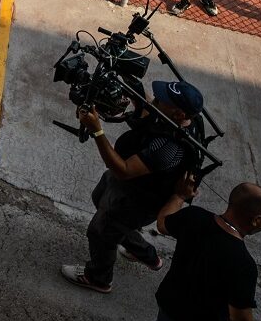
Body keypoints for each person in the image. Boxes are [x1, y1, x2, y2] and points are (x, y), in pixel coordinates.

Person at [60, 80, 205, 295]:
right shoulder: (183, 120)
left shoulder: (168, 148)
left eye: (161, 100)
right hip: (130, 187)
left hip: (138, 198)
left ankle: (98, 278)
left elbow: (124, 170)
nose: (154, 101)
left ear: (178, 114)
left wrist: (97, 130)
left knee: (101, 231)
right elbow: (147, 108)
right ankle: (145, 254)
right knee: (99, 197)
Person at [151, 177, 261, 321]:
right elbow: (240, 320)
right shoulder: (243, 264)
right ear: (257, 220)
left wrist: (179, 196)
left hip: (169, 308)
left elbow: (162, 223)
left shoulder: (193, 216)